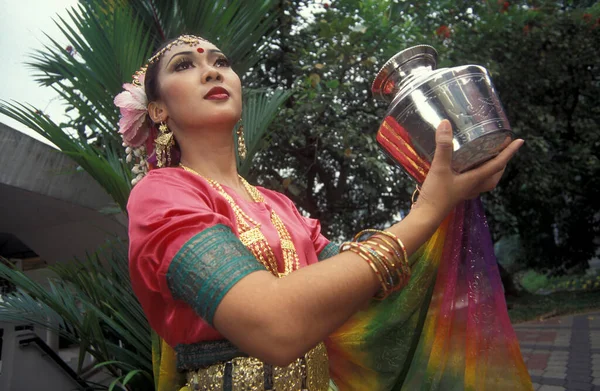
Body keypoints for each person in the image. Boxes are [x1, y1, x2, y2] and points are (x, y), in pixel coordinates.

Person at [118, 35, 530, 391]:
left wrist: (445, 195)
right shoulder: (160, 194)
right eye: (185, 65)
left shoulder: (277, 204)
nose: (212, 72)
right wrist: (427, 211)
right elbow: (273, 326)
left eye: (221, 62)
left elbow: (367, 286)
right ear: (157, 110)